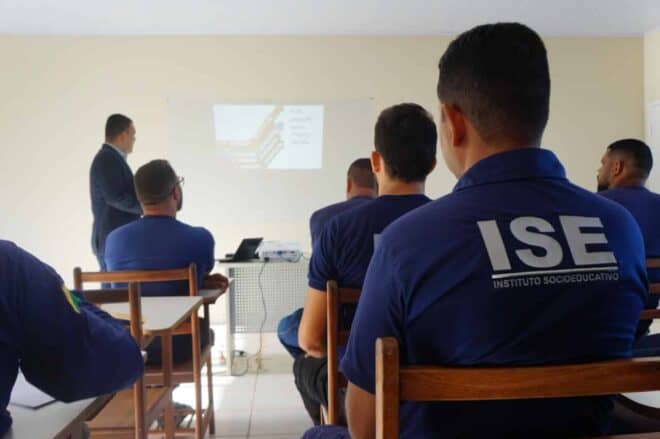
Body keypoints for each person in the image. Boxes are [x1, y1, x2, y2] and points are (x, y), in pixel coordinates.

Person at [306, 23, 647, 439]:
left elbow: (364, 425)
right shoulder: (620, 229)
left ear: (453, 122)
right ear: (540, 112)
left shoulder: (408, 241)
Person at [295, 103, 437, 426]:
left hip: (358, 384)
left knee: (303, 359)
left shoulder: (338, 229)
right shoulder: (450, 226)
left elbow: (312, 340)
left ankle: (334, 423)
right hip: (433, 388)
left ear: (376, 161)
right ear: (431, 165)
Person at [0, 240, 144, 436]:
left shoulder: (115, 239)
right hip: (153, 347)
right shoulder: (10, 264)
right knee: (77, 431)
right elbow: (81, 372)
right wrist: (79, 304)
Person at [104, 159, 228, 364]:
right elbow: (197, 277)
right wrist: (203, 280)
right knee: (206, 331)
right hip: (179, 346)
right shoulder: (200, 238)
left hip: (127, 346)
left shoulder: (113, 240)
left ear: (139, 198)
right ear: (175, 193)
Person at [278, 158, 377, 358]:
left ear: (348, 184)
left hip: (337, 323)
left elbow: (322, 278)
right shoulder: (403, 218)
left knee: (286, 329)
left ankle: (322, 366)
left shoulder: (322, 218)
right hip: (382, 322)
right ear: (379, 184)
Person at [597, 139, 660, 345]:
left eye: (603, 163)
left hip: (602, 330)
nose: (599, 171)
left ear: (616, 167)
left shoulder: (593, 206)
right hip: (642, 325)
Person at [90, 114, 142, 271]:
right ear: (123, 135)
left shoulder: (111, 158)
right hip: (112, 240)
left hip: (115, 240)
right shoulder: (107, 158)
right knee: (114, 286)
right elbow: (115, 197)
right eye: (132, 135)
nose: (134, 139)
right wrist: (145, 209)